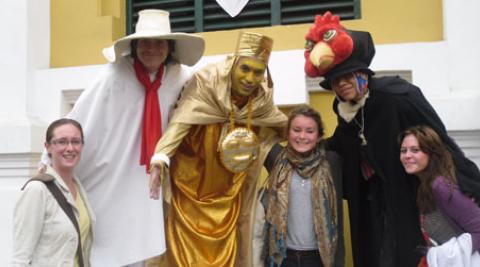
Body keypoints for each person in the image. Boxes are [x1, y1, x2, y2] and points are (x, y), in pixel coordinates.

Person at [303, 11, 480, 267]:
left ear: (363, 74)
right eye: (334, 80)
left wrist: (469, 186)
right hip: (371, 204)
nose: (340, 84)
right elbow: (340, 145)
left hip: (407, 195)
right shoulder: (345, 110)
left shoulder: (397, 96)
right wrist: (306, 146)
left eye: (346, 76)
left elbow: (439, 141)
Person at [39, 9, 205, 266]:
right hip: (108, 175)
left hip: (145, 181)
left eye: (159, 42)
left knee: (139, 246)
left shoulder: (179, 78)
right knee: (103, 244)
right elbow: (79, 116)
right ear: (135, 46)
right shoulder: (113, 76)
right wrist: (48, 161)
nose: (152, 49)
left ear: (169, 47)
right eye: (145, 43)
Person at [148, 31, 288, 267]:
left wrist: (306, 139)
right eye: (245, 69)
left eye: (258, 72)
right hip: (190, 185)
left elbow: (282, 125)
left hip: (229, 190)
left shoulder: (261, 99)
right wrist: (159, 160)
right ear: (233, 64)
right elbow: (180, 124)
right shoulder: (207, 82)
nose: (250, 78)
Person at [264, 105, 344, 267]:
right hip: (283, 257)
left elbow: (337, 218)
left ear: (319, 136)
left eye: (309, 131)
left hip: (318, 257)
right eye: (296, 130)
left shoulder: (331, 162)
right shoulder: (276, 158)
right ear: (287, 133)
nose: (302, 136)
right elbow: (254, 125)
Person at [12, 118, 95, 266]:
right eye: (62, 142)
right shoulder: (37, 190)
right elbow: (20, 257)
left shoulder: (78, 188)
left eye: (76, 141)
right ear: (48, 147)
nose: (70, 148)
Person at [399, 125, 480, 266]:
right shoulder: (425, 186)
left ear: (431, 153)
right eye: (403, 150)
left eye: (415, 150)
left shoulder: (440, 186)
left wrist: (446, 256)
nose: (407, 155)